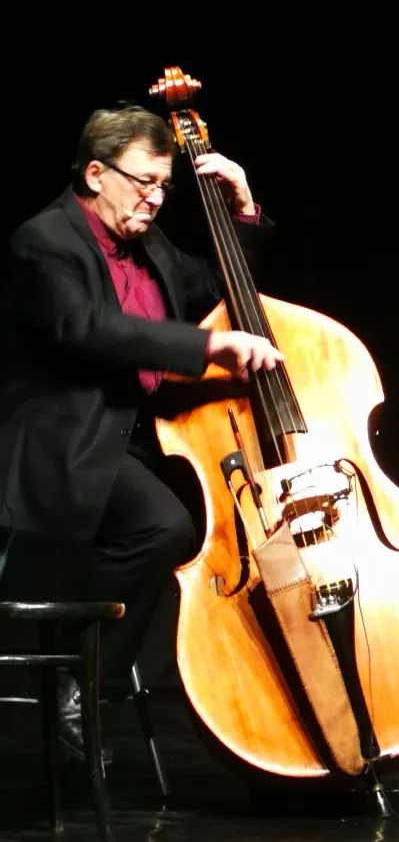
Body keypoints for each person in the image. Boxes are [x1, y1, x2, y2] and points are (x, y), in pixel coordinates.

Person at [0, 104, 284, 764]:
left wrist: (243, 211)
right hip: (64, 449)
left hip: (133, 443)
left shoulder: (148, 244)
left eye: (164, 186)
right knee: (167, 525)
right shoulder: (43, 241)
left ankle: (82, 670)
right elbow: (88, 328)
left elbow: (215, 288)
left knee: (203, 531)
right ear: (96, 173)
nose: (155, 200)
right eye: (142, 182)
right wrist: (209, 346)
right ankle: (78, 674)